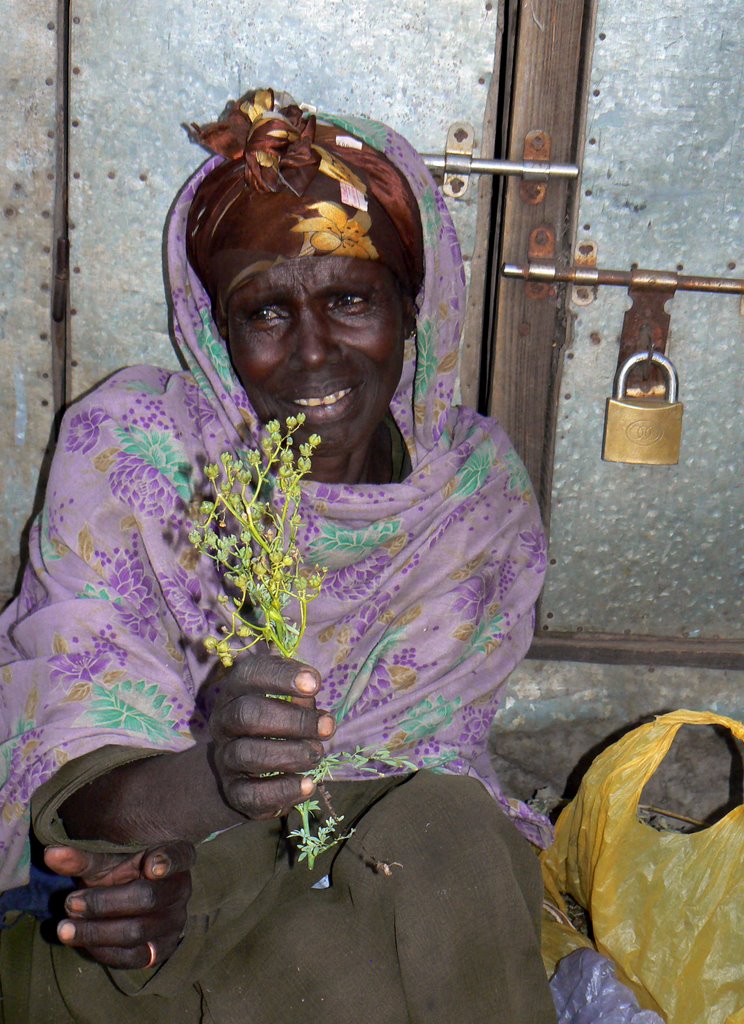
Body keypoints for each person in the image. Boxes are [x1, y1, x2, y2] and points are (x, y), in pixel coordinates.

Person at [0, 89, 556, 1022]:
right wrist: (196, 800)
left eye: (349, 299)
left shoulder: (473, 495)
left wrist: (238, 841)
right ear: (216, 331)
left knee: (453, 837)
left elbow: (427, 770)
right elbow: (74, 770)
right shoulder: (136, 451)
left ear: (415, 310)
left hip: (366, 887)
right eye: (264, 313)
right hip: (147, 906)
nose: (313, 354)